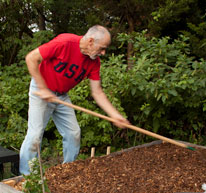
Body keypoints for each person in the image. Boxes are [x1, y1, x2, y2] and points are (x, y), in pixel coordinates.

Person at [19, 25, 129, 175]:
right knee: (35, 136)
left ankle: (67, 173)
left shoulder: (94, 62)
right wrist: (42, 88)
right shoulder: (64, 43)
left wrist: (114, 114)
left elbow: (97, 92)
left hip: (61, 96)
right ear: (90, 41)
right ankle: (27, 178)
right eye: (102, 48)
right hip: (41, 91)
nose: (103, 53)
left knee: (73, 134)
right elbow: (31, 58)